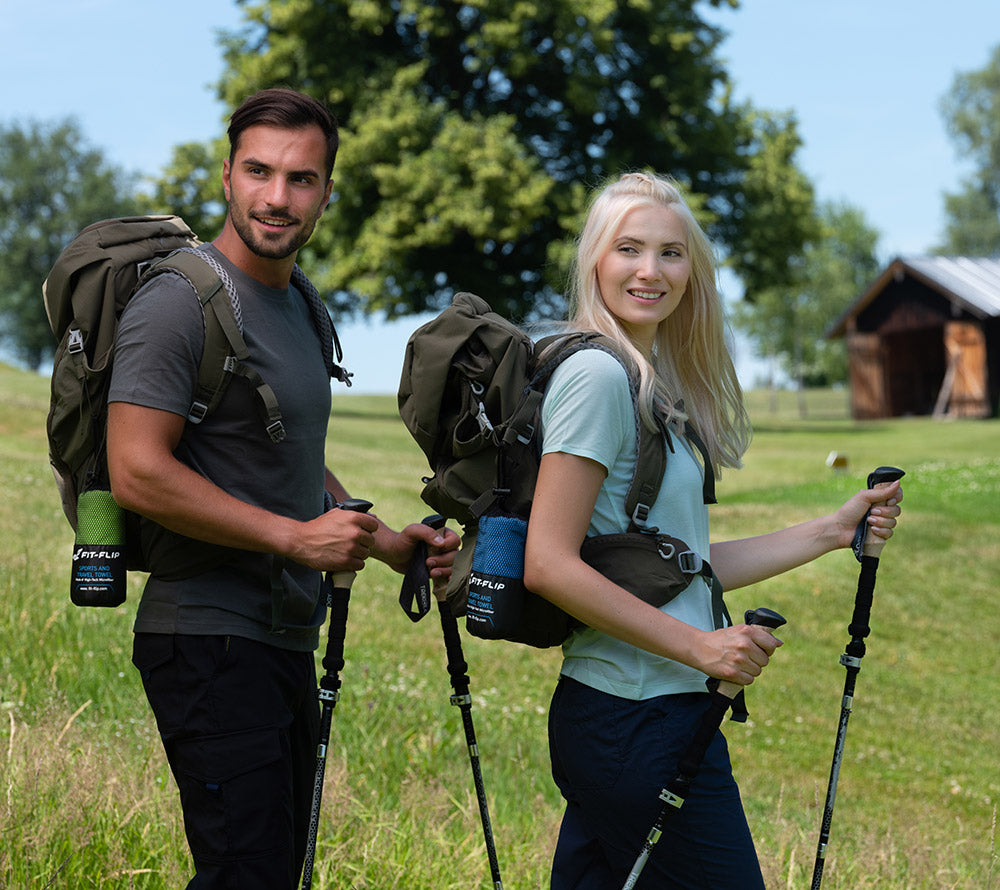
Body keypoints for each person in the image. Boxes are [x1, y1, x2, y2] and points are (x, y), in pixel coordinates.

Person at [106, 88, 459, 889]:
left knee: (270, 873)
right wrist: (296, 540)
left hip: (276, 638)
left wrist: (393, 545)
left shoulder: (297, 303)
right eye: (260, 172)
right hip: (205, 638)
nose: (277, 196)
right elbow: (137, 470)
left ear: (327, 192)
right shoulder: (178, 301)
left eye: (302, 179)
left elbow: (292, 464)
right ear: (227, 176)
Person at [522, 172, 903, 889]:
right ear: (595, 260)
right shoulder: (599, 379)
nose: (650, 270)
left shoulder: (649, 382)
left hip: (638, 716)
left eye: (672, 253)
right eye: (628, 248)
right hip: (634, 719)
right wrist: (701, 646)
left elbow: (683, 569)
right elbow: (548, 563)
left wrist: (831, 530)